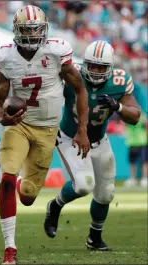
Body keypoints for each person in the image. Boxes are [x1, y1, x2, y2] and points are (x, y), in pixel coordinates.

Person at [0, 5, 90, 264]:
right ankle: (10, 249)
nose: (33, 34)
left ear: (44, 30)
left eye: (36, 29)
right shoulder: (6, 57)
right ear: (16, 30)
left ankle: (25, 181)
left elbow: (80, 89)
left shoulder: (56, 52)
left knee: (27, 197)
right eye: (27, 29)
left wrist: (82, 130)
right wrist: (1, 117)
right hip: (19, 126)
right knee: (7, 179)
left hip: (47, 129)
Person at [44, 40, 141, 251]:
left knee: (106, 194)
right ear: (84, 63)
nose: (96, 71)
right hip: (71, 138)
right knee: (84, 184)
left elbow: (135, 116)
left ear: (110, 68)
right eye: (92, 65)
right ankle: (55, 205)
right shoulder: (72, 74)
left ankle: (94, 238)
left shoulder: (119, 81)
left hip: (99, 140)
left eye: (101, 67)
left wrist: (119, 106)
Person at [125, 112, 147, 188]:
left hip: (142, 141)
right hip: (132, 141)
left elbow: (146, 125)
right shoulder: (127, 115)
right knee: (132, 162)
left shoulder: (142, 115)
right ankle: (132, 179)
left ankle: (144, 179)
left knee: (144, 161)